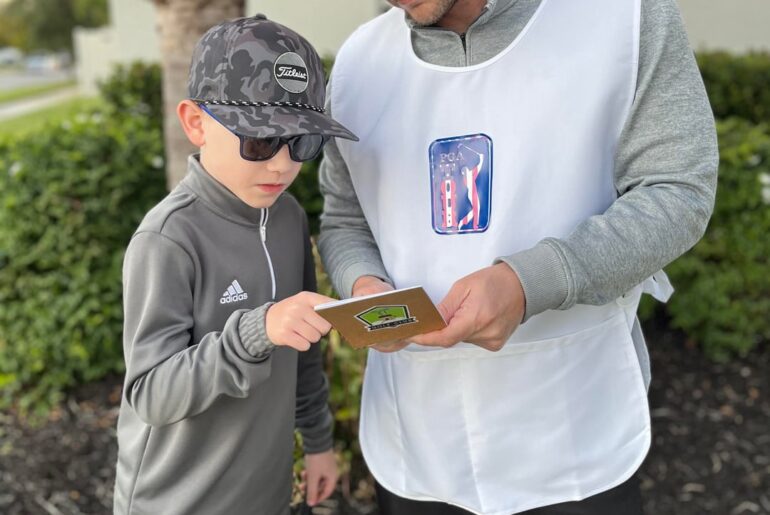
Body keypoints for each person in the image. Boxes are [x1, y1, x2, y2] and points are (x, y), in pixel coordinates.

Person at [318, 0, 718, 513]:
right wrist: (364, 286)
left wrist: (528, 283)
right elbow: (346, 218)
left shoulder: (624, 17)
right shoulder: (356, 64)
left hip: (574, 440)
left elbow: (677, 189)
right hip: (416, 441)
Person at [113, 14, 358, 515]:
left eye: (302, 141)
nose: (283, 164)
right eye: (261, 139)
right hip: (175, 503)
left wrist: (317, 443)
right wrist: (255, 332)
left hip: (263, 497)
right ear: (196, 123)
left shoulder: (287, 217)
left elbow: (305, 355)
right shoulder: (168, 239)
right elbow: (150, 393)